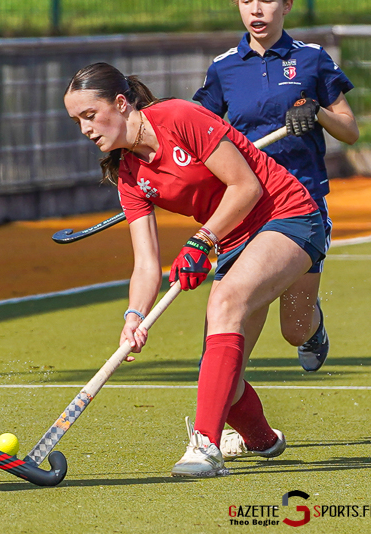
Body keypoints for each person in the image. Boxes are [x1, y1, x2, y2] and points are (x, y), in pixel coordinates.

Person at [64, 62, 326, 477]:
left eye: (89, 116)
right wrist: (133, 316)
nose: (84, 130)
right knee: (221, 378)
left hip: (285, 214)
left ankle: (205, 446)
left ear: (119, 103)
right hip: (235, 240)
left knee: (245, 310)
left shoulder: (179, 117)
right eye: (76, 121)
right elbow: (147, 263)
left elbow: (246, 186)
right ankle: (263, 439)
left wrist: (202, 241)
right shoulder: (129, 176)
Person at [193, 0, 360, 374]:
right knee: (231, 313)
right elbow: (199, 130)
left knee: (294, 329)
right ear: (237, 4)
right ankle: (223, 413)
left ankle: (313, 329)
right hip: (246, 203)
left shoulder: (312, 59)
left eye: (266, 0)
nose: (256, 10)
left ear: (286, 4)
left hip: (301, 202)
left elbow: (349, 130)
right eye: (247, 1)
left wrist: (315, 111)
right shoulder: (224, 69)